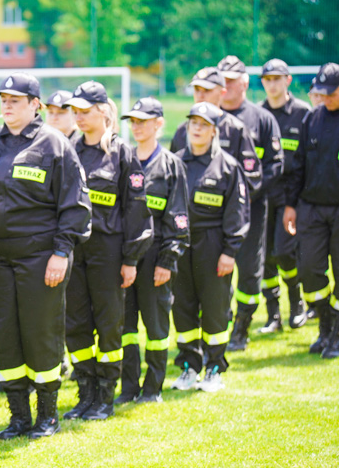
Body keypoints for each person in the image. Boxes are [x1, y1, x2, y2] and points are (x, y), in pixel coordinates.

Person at [0, 72, 91, 437]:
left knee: (41, 333)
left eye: (15, 100)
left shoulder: (55, 145)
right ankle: (18, 415)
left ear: (36, 105)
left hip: (40, 258)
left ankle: (47, 414)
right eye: (3, 99)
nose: (6, 105)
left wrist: (61, 252)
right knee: (4, 333)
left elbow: (76, 205)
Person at [61, 81, 152, 420]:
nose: (79, 117)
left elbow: (136, 210)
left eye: (86, 112)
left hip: (109, 252)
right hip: (75, 251)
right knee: (76, 323)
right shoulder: (68, 148)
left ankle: (105, 396)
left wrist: (130, 259)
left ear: (103, 111)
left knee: (109, 324)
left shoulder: (121, 152)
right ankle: (85, 393)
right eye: (76, 112)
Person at [170, 102, 249, 392]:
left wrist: (230, 251)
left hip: (214, 245)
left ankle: (215, 367)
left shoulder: (228, 166)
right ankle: (190, 366)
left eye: (204, 125)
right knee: (183, 308)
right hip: (180, 246)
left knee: (215, 309)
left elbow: (238, 213)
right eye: (193, 123)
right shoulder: (175, 162)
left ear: (215, 131)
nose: (197, 129)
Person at [117, 98, 190, 404]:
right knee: (126, 327)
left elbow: (179, 217)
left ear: (159, 124)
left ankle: (153, 388)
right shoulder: (125, 159)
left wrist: (168, 259)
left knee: (156, 326)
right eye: (133, 121)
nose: (137, 127)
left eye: (143, 121)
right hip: (127, 258)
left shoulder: (172, 165)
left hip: (157, 257)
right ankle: (129, 387)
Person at [217, 55, 284, 352]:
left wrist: (246, 195)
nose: (226, 86)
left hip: (251, 211)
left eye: (232, 81)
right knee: (214, 270)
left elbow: (274, 164)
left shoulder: (262, 119)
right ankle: (220, 323)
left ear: (245, 83)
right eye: (222, 80)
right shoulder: (207, 118)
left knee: (249, 270)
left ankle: (241, 328)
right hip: (211, 213)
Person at [284, 63, 339, 359]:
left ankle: (337, 334)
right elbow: (298, 166)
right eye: (321, 93)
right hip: (312, 209)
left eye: (331, 93)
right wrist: (291, 204)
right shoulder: (311, 120)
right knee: (309, 270)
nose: (325, 98)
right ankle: (326, 326)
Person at [258, 59, 311, 331]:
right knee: (264, 257)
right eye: (267, 79)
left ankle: (297, 302)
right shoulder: (258, 115)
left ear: (288, 80)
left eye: (277, 79)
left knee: (284, 252)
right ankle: (273, 315)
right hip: (264, 195)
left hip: (294, 197)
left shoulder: (303, 113)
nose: (272, 84)